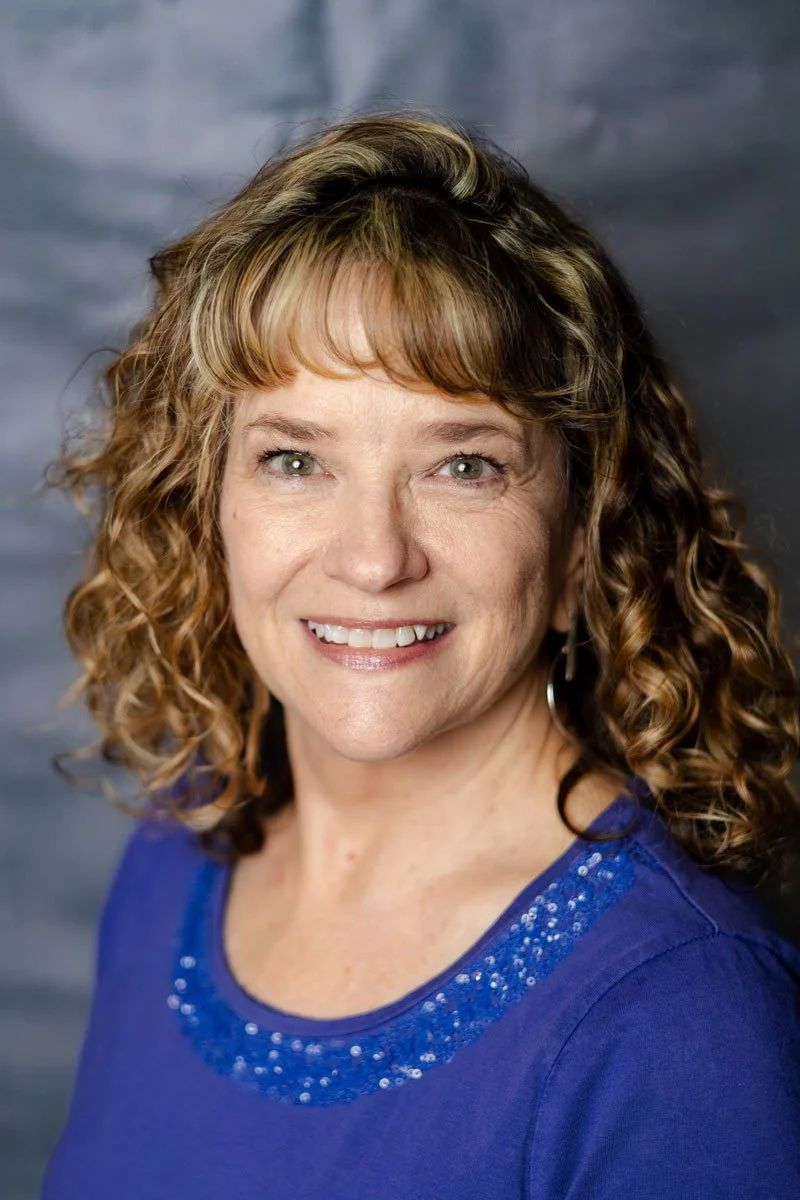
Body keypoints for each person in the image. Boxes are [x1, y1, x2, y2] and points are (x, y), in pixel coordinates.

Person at [42, 113, 800, 1198]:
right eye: (296, 459)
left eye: (464, 466)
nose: (372, 557)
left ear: (582, 530)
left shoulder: (677, 1020)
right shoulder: (180, 846)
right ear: (207, 505)